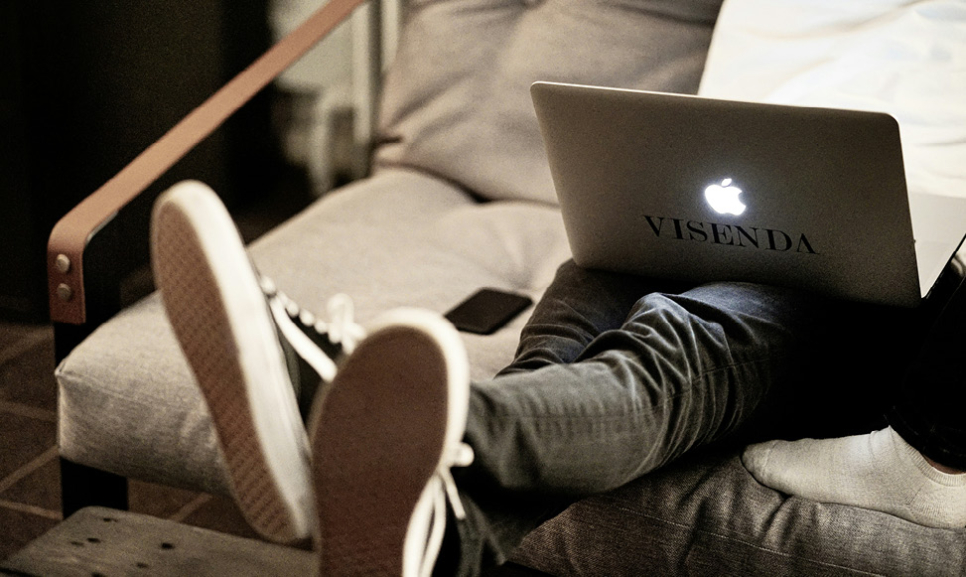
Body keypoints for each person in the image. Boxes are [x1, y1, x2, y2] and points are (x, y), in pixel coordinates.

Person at [151, 181, 966, 577]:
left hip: (895, 286)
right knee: (599, 263)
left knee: (682, 339)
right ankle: (448, 529)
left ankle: (328, 402)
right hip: (747, 204)